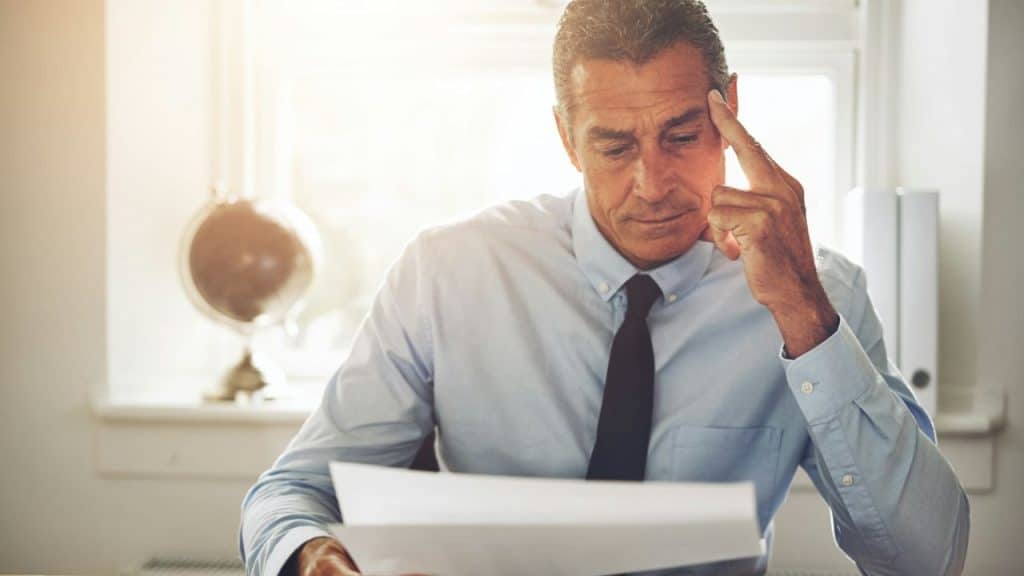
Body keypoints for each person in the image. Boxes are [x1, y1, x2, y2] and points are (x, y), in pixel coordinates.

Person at [239, 1, 970, 574]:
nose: (651, 185)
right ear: (566, 138)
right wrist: (317, 561)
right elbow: (287, 496)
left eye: (682, 135)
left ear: (731, 111)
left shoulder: (818, 291)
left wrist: (805, 316)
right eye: (614, 145)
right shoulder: (447, 274)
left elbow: (928, 560)